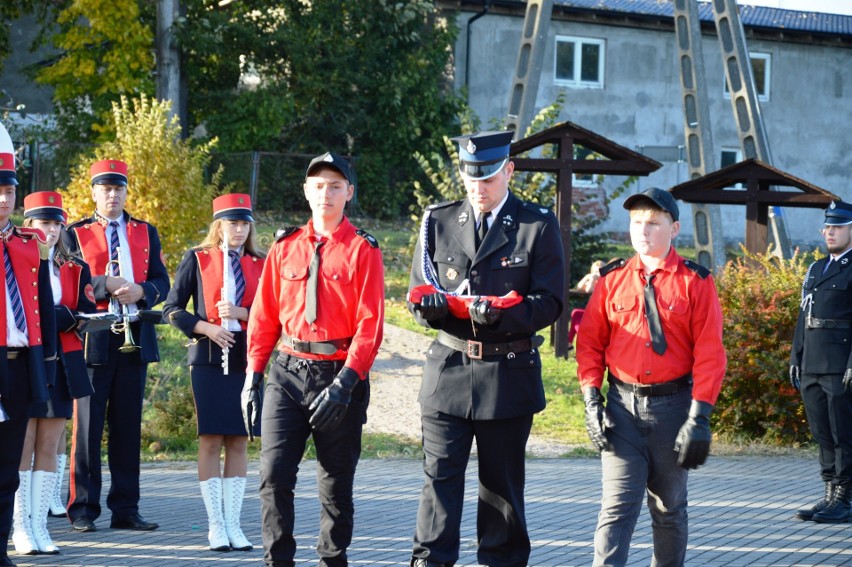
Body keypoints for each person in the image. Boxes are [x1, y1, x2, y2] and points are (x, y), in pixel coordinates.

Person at [407, 130, 565, 567]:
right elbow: (417, 294)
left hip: (507, 373)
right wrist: (433, 309)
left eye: (489, 178)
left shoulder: (536, 224)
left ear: (509, 171)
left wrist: (501, 317)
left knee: (501, 491)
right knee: (438, 483)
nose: (479, 187)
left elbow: (551, 302)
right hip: (449, 371)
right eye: (471, 177)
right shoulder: (437, 221)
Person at [241, 152, 384, 567]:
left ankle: (332, 560)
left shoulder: (363, 249)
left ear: (349, 193)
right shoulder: (284, 246)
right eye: (319, 186)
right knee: (273, 476)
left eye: (335, 186)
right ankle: (278, 560)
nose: (326, 193)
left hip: (340, 372)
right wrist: (253, 375)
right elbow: (265, 316)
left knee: (335, 483)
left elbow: (371, 325)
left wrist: (346, 384)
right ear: (306, 191)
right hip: (286, 371)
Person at [576, 187, 726, 566]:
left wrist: (700, 416)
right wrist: (591, 400)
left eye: (654, 223)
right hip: (621, 409)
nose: (643, 231)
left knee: (669, 508)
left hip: (673, 409)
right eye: (637, 223)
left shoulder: (695, 281)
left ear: (674, 228)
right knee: (616, 509)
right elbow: (590, 345)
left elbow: (710, 353)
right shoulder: (611, 280)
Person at [62, 159, 170, 532]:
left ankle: (126, 509)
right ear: (93, 193)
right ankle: (82, 510)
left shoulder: (145, 231)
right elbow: (66, 285)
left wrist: (143, 291)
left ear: (126, 191)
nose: (112, 195)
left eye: (118, 189)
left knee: (127, 427)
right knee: (88, 428)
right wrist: (101, 284)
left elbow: (162, 281)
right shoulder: (75, 233)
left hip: (134, 333)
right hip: (94, 335)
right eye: (105, 189)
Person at [163, 194, 265, 551]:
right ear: (218, 225)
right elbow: (171, 308)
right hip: (207, 356)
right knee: (211, 438)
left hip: (246, 358)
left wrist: (241, 313)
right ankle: (216, 525)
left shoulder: (260, 263)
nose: (238, 229)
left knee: (239, 439)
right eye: (232, 223)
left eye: (244, 223)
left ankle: (235, 524)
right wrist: (206, 327)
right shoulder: (198, 258)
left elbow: (274, 317)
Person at [11, 192, 96, 556]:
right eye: (43, 222)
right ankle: (20, 525)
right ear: (28, 225)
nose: (50, 229)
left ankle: (40, 525)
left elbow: (86, 310)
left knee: (49, 445)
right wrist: (63, 316)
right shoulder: (16, 258)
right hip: (29, 359)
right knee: (24, 445)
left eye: (56, 223)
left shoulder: (75, 266)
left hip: (66, 359)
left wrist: (63, 316)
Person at [0, 121, 57, 567]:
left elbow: (40, 308)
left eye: (10, 191)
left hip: (21, 363)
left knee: (7, 469)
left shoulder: (29, 244)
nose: (3, 200)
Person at [790, 200, 852, 524]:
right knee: (822, 432)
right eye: (827, 226)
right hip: (813, 361)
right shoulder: (816, 268)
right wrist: (795, 356)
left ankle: (845, 497)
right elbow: (804, 314)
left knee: (844, 433)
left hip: (841, 364)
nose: (830, 232)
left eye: (837, 226)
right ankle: (829, 492)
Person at [567, 259, 605, 348]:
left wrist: (594, 279)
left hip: (601, 313)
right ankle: (570, 342)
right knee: (576, 313)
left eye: (600, 270)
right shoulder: (593, 279)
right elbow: (579, 287)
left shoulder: (604, 281)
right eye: (595, 271)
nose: (597, 273)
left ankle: (581, 339)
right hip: (592, 312)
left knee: (578, 316)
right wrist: (588, 277)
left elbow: (589, 290)